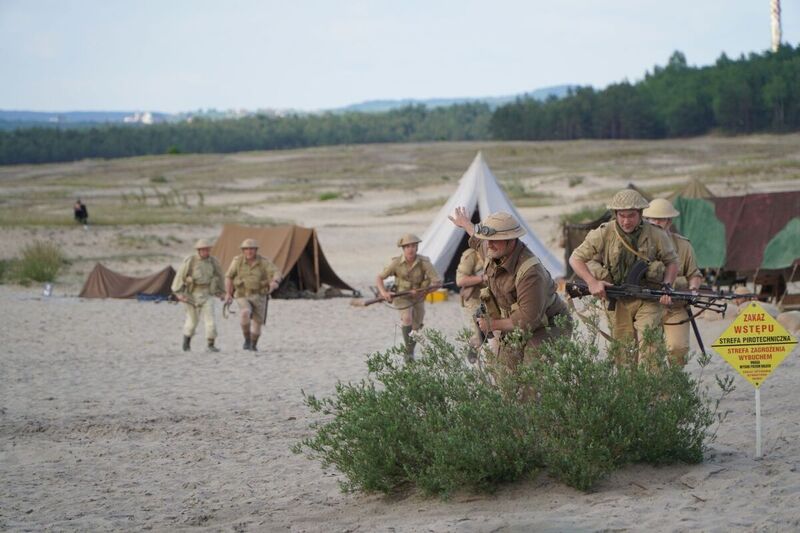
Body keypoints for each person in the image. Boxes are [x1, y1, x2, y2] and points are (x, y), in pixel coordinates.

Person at [449, 208, 571, 377]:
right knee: (504, 376)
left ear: (511, 240)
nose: (489, 245)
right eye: (488, 240)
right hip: (515, 324)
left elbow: (528, 319)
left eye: (495, 241)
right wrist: (466, 224)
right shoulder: (493, 249)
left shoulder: (530, 272)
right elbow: (478, 241)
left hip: (548, 325)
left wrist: (492, 325)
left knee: (531, 378)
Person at [569, 189, 679, 367]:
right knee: (624, 354)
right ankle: (630, 393)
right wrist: (592, 282)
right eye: (622, 215)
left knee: (651, 348)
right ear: (615, 214)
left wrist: (667, 285)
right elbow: (575, 258)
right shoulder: (604, 233)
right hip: (618, 299)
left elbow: (672, 261)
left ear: (641, 214)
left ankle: (654, 393)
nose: (626, 221)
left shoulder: (656, 234)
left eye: (631, 215)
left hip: (648, 298)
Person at [642, 198, 703, 367]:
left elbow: (694, 274)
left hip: (676, 306)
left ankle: (674, 384)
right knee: (649, 353)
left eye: (660, 219)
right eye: (651, 219)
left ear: (669, 221)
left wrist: (692, 290)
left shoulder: (683, 246)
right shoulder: (638, 246)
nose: (655, 223)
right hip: (646, 307)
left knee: (678, 349)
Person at [376, 233, 441, 361]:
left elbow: (437, 282)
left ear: (417, 247)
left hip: (418, 298)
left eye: (413, 246)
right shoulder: (396, 262)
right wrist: (384, 293)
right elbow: (379, 277)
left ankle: (410, 351)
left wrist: (424, 292)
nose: (410, 249)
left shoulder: (424, 262)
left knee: (416, 327)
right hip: (402, 296)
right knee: (407, 318)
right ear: (403, 249)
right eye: (407, 247)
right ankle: (409, 353)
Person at [225, 239, 281, 352]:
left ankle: (253, 344)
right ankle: (247, 339)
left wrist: (275, 281)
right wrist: (228, 293)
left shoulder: (263, 262)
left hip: (259, 295)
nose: (249, 251)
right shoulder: (237, 261)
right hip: (242, 294)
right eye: (246, 249)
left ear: (256, 250)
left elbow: (276, 272)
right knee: (245, 312)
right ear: (243, 250)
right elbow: (229, 276)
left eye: (252, 249)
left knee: (257, 325)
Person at [171, 239, 226, 352]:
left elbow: (219, 276)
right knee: (192, 321)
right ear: (199, 250)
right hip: (192, 295)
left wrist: (222, 292)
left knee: (211, 320)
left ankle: (210, 345)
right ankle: (186, 344)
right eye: (203, 249)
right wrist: (178, 294)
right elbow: (180, 277)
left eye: (208, 249)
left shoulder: (213, 262)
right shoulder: (190, 261)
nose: (206, 251)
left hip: (208, 294)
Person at [455, 247, 487, 363]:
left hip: (493, 297)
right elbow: (460, 280)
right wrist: (482, 278)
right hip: (474, 298)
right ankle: (473, 360)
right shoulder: (471, 255)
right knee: (477, 333)